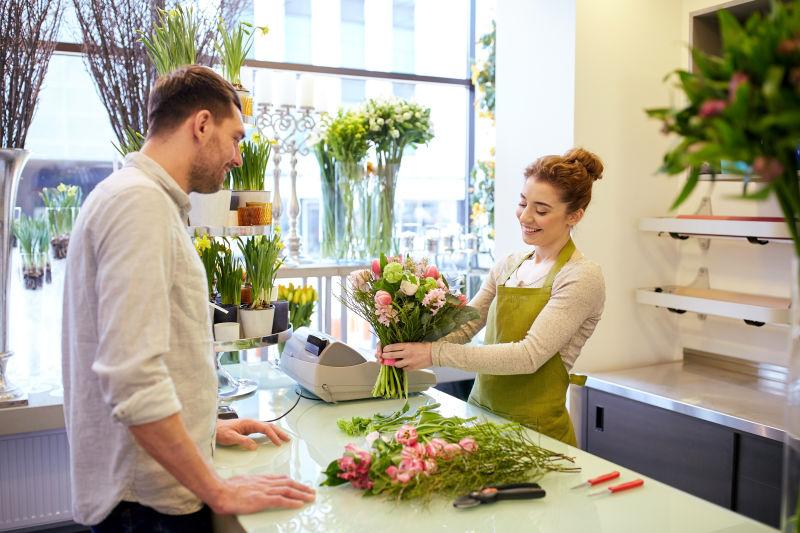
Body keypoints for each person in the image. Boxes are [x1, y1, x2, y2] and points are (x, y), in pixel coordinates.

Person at [62, 65, 315, 532]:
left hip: (150, 489)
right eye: (236, 138)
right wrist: (218, 490)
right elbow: (133, 379)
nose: (239, 157)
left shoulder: (141, 199)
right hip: (146, 508)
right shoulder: (138, 205)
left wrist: (204, 429)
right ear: (201, 124)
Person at [379, 148, 606, 446]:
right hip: (479, 420)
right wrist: (405, 346)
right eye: (523, 203)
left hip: (535, 436)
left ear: (574, 215)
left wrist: (432, 354)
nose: (525, 216)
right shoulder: (510, 264)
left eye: (541, 210)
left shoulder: (581, 277)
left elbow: (528, 356)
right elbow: (466, 326)